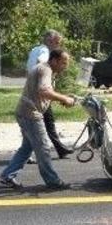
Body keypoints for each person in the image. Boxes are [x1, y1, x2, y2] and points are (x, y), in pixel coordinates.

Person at [0, 49, 76, 190]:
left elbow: (42, 94)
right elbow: (44, 91)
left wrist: (61, 99)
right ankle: (53, 181)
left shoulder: (44, 69)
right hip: (30, 114)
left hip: (24, 112)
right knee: (43, 148)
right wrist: (64, 98)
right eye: (63, 62)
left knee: (27, 148)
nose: (65, 66)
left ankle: (7, 175)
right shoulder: (46, 70)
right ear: (54, 60)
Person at [26, 29, 73, 159]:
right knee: (41, 124)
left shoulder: (34, 50)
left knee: (47, 121)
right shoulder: (45, 51)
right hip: (40, 92)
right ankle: (31, 155)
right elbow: (41, 63)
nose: (58, 46)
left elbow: (29, 67)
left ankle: (60, 149)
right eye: (57, 42)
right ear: (49, 41)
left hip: (33, 89)